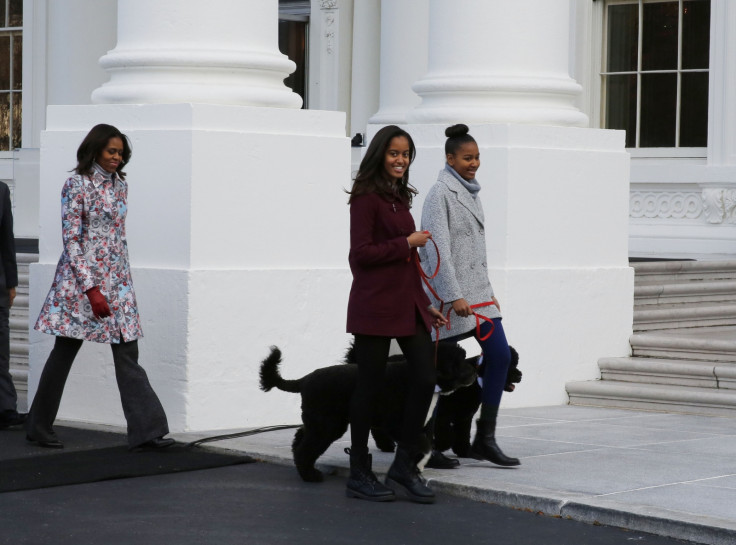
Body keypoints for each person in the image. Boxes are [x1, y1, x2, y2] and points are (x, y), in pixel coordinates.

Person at [27, 124, 174, 451]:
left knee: (127, 353)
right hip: (80, 285)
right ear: (95, 150)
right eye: (111, 152)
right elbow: (73, 241)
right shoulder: (75, 185)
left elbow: (116, 238)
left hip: (118, 283)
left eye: (121, 153)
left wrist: (118, 283)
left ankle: (147, 430)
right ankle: (38, 426)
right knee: (63, 353)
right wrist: (91, 288)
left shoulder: (121, 186)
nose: (117, 158)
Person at [346, 125, 447, 503]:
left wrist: (426, 305)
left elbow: (408, 265)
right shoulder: (366, 198)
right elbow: (360, 255)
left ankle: (404, 465)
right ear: (379, 155)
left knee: (424, 378)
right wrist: (405, 242)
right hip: (374, 304)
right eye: (394, 153)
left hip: (407, 304)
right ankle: (358, 471)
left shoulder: (399, 197)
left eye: (405, 154)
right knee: (368, 387)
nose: (401, 160)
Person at [420, 123, 520, 467]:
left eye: (476, 157)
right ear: (450, 158)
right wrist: (453, 294)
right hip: (450, 301)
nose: (473, 163)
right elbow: (436, 251)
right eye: (466, 157)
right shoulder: (439, 193)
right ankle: (427, 445)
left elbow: (475, 254)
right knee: (435, 373)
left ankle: (485, 438)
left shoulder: (472, 192)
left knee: (501, 356)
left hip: (480, 299)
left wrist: (488, 294)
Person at [0, 181, 24, 430]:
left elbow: (6, 238)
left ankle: (6, 409)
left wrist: (11, 282)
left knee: (1, 351)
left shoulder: (1, 190)